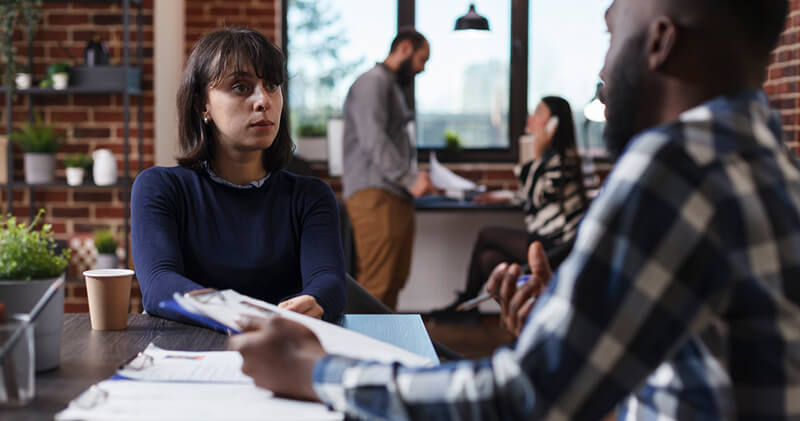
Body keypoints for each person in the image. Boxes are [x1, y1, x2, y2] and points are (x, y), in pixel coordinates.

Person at [229, 0, 800, 419]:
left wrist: (314, 371)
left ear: (660, 43)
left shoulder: (675, 166)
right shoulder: (762, 162)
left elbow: (528, 398)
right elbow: (691, 379)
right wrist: (571, 326)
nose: (601, 72)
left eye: (610, 33)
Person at [132, 28, 346, 323]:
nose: (264, 101)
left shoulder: (310, 196)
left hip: (283, 352)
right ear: (201, 105)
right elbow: (158, 285)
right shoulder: (160, 188)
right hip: (194, 358)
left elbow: (329, 282)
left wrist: (315, 300)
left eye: (272, 85)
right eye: (240, 87)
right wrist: (240, 316)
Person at [429, 96, 589, 322]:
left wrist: (535, 151)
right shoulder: (550, 159)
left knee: (486, 234)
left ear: (554, 124)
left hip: (558, 246)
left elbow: (537, 197)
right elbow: (527, 196)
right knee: (488, 259)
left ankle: (467, 304)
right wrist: (498, 198)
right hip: (544, 240)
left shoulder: (563, 160)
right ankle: (489, 312)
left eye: (538, 113)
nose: (530, 118)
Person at [341, 28, 435, 310]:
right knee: (376, 285)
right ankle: (363, 352)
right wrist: (410, 178)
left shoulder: (393, 86)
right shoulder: (372, 83)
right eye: (422, 59)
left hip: (394, 194)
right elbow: (374, 139)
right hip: (375, 194)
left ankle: (387, 349)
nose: (422, 68)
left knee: (394, 281)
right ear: (405, 48)